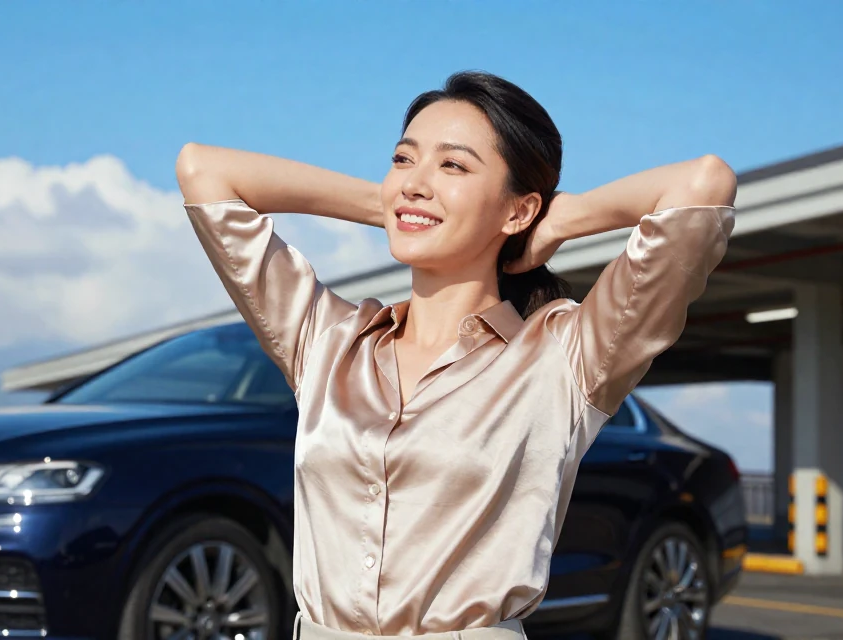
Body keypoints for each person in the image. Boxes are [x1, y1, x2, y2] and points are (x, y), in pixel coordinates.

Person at [174, 70, 736, 640]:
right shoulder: (327, 342)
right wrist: (388, 203)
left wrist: (557, 221)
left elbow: (702, 185)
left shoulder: (563, 358)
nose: (416, 180)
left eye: (453, 165)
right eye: (403, 159)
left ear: (519, 210)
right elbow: (204, 171)